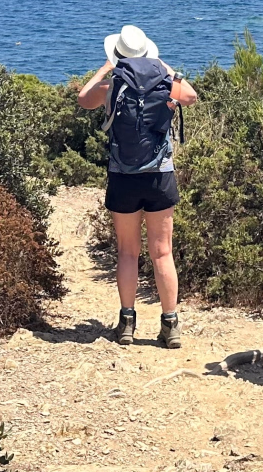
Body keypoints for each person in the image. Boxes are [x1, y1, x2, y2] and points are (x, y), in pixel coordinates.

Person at [77, 24, 199, 347]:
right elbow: (192, 96)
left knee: (128, 252)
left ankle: (127, 324)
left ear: (118, 55)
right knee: (163, 252)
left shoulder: (113, 84)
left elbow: (82, 98)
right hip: (160, 175)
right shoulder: (164, 83)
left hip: (123, 176)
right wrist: (166, 69)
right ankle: (170, 325)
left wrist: (106, 67)